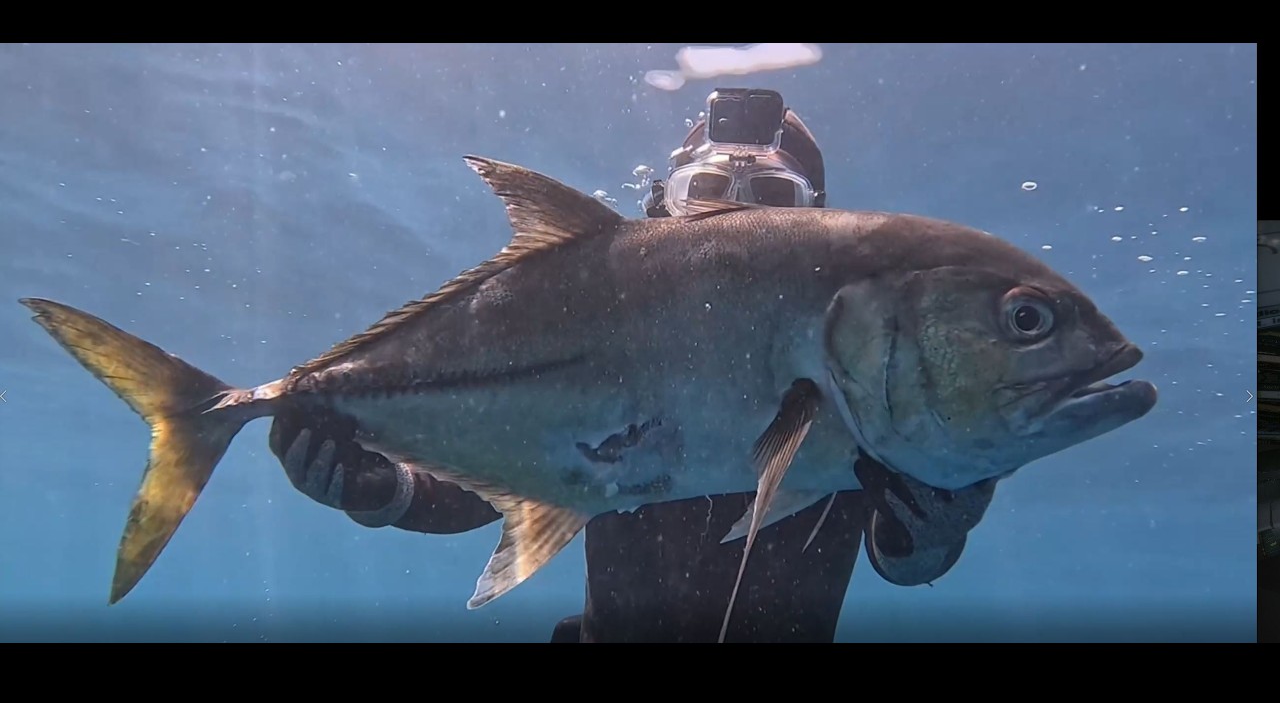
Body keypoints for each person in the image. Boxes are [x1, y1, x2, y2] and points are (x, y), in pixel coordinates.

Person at [267, 88, 1002, 643]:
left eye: (774, 198)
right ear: (661, 208)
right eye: (706, 194)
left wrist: (940, 522)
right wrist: (379, 490)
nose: (738, 220)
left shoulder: (854, 352)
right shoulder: (606, 312)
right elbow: (493, 483)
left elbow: (902, 560)